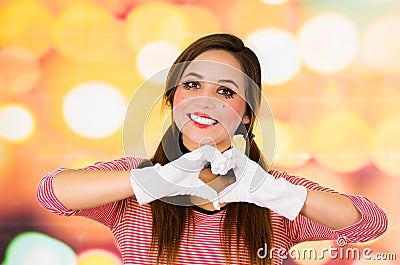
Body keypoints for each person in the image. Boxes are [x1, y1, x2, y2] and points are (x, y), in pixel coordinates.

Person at [37, 33, 388, 265]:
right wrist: (153, 182)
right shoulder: (134, 182)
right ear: (172, 97)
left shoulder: (272, 191)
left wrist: (274, 192)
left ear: (247, 115)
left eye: (226, 92)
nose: (206, 101)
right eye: (192, 84)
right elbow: (52, 194)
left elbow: (368, 224)